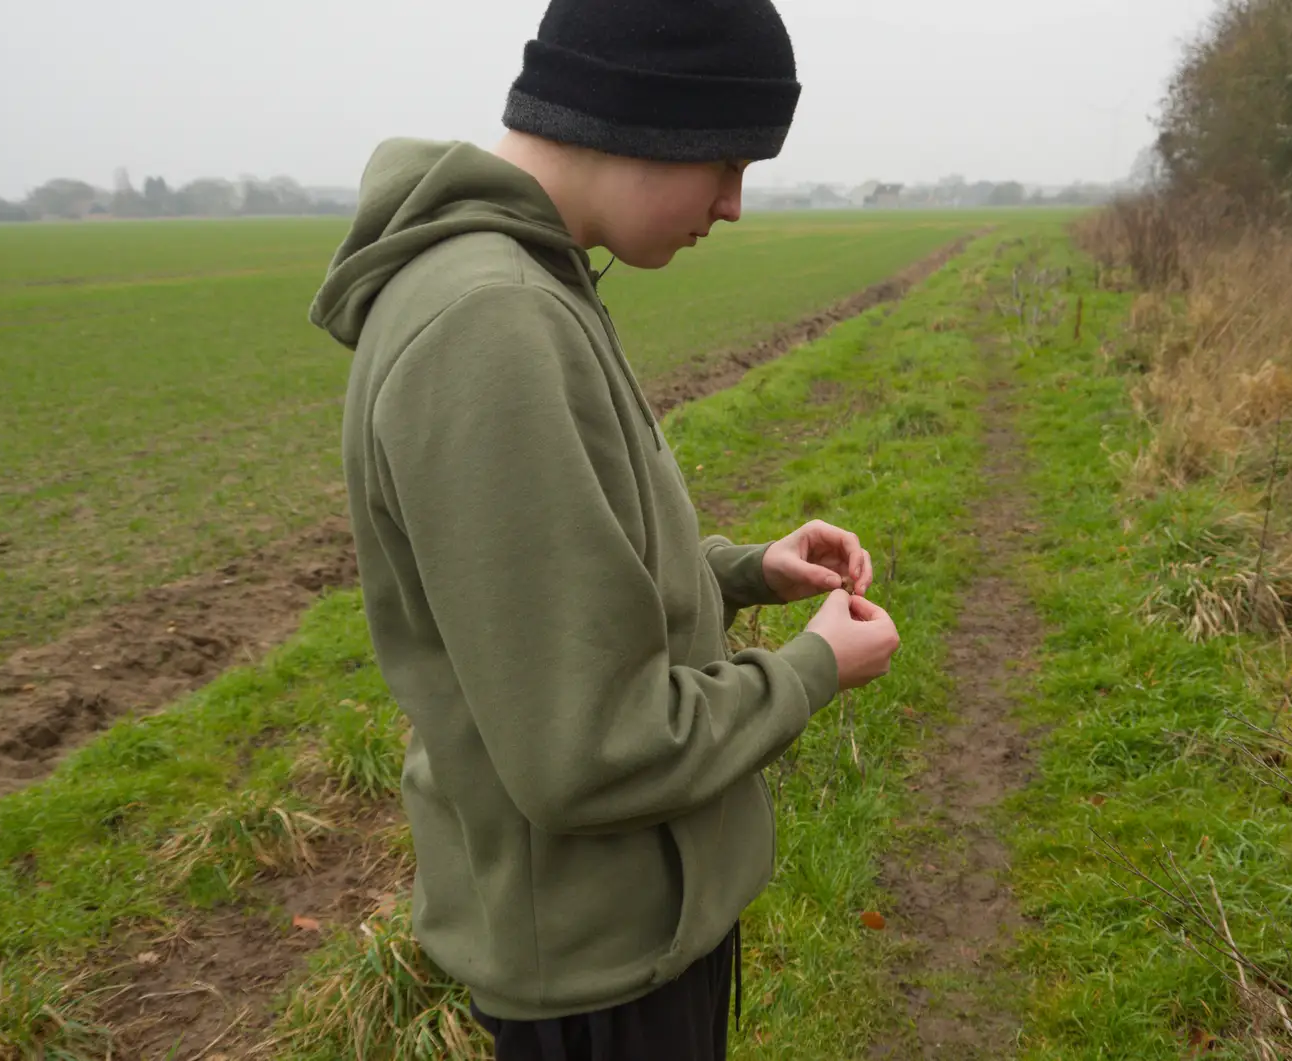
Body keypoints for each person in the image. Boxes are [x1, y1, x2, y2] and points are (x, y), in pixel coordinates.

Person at [308, 0, 902, 1057]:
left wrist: (739, 572)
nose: (730, 205)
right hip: (597, 965)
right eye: (724, 161)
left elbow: (558, 585)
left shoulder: (530, 280)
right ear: (641, 120)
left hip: (627, 926)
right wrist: (813, 668)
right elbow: (587, 746)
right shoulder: (488, 319)